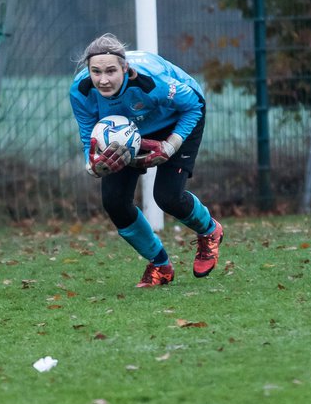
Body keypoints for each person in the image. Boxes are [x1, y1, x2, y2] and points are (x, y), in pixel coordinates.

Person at [69, 33, 224, 287]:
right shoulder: (81, 91)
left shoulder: (152, 82)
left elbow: (194, 105)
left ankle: (209, 230)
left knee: (167, 197)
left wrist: (171, 144)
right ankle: (160, 264)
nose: (103, 79)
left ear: (125, 68)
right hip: (126, 134)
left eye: (111, 71)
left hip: (177, 120)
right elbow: (89, 138)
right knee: (115, 202)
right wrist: (93, 165)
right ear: (88, 71)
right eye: (96, 72)